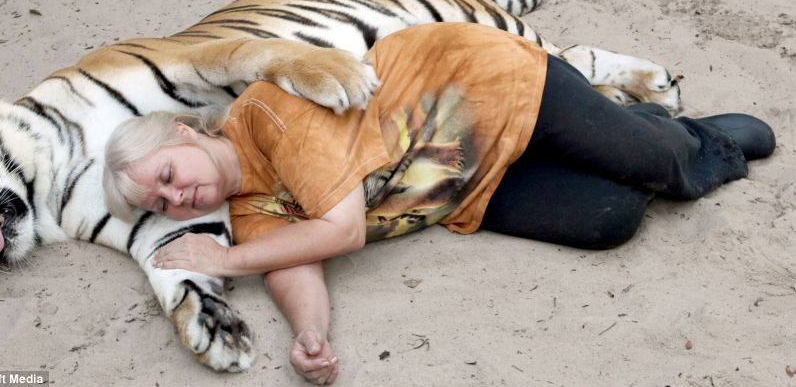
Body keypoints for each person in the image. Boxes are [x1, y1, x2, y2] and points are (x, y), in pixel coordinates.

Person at [102, 23, 774, 385]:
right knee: (612, 219)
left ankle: (688, 137)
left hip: (481, 85)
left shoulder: (269, 115)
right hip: (458, 177)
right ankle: (627, 133)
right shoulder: (247, 206)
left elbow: (338, 231)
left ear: (186, 133)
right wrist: (311, 334)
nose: (175, 194)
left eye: (166, 172)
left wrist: (228, 258)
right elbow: (292, 265)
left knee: (660, 167)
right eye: (160, 202)